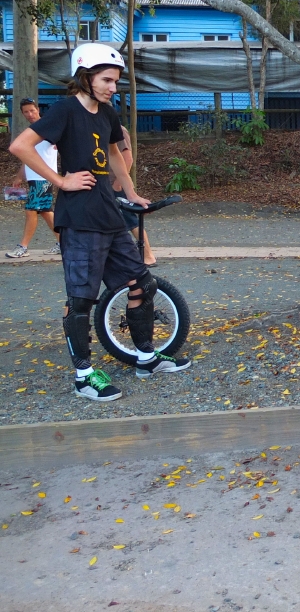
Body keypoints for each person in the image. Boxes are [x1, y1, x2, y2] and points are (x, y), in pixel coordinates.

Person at [8, 43, 191, 402]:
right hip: (79, 219)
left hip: (108, 212)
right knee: (80, 301)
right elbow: (21, 146)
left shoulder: (106, 113)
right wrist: (61, 181)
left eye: (116, 81)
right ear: (85, 76)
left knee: (143, 284)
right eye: (107, 80)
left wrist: (132, 192)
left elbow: (114, 155)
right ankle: (84, 377)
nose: (112, 87)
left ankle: (146, 358)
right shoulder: (64, 111)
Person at [6, 98, 60, 258]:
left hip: (44, 178)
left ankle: (22, 247)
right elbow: (29, 157)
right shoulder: (32, 131)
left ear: (38, 109)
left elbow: (62, 139)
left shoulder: (48, 127)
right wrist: (19, 176)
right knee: (45, 211)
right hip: (33, 178)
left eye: (32, 110)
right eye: (26, 112)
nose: (30, 114)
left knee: (31, 210)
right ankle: (62, 242)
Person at [112, 125, 157, 266]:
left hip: (117, 183)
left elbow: (128, 159)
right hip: (105, 183)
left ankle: (148, 256)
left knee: (130, 220)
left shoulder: (119, 131)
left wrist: (118, 183)